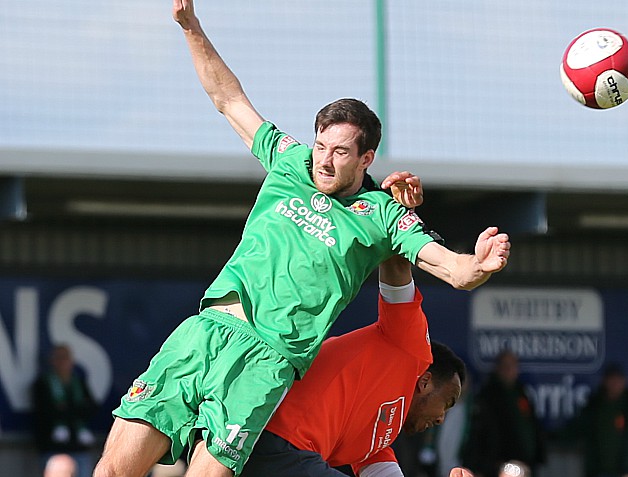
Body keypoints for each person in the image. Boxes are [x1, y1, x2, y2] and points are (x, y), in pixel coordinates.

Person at [93, 0, 511, 475]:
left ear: (366, 158)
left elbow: (448, 267)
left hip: (266, 363)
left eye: (339, 152)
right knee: (113, 469)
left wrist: (477, 264)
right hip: (204, 332)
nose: (324, 161)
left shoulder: (382, 215)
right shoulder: (290, 162)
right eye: (320, 146)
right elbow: (229, 100)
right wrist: (191, 27)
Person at [239, 255, 470, 477]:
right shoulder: (411, 348)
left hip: (283, 454)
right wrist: (398, 220)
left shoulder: (378, 438)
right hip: (277, 439)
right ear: (426, 381)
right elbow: (396, 265)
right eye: (447, 402)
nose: (441, 419)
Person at [554, 363, 628, 477]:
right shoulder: (594, 406)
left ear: (624, 382)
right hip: (599, 472)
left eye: (618, 380)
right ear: (604, 381)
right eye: (611, 380)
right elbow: (575, 430)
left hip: (627, 472)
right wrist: (551, 436)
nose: (615, 384)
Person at [462, 350, 546, 477]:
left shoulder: (521, 392)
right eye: (505, 366)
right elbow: (481, 435)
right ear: (498, 368)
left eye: (513, 366)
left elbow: (531, 426)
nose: (509, 370)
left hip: (525, 464)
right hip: (500, 465)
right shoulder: (488, 395)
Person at [32, 344, 97, 477]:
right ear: (52, 361)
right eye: (59, 358)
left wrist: (66, 410)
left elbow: (90, 408)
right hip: (53, 448)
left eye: (65, 358)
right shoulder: (43, 383)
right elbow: (44, 413)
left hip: (78, 447)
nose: (62, 362)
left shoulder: (78, 383)